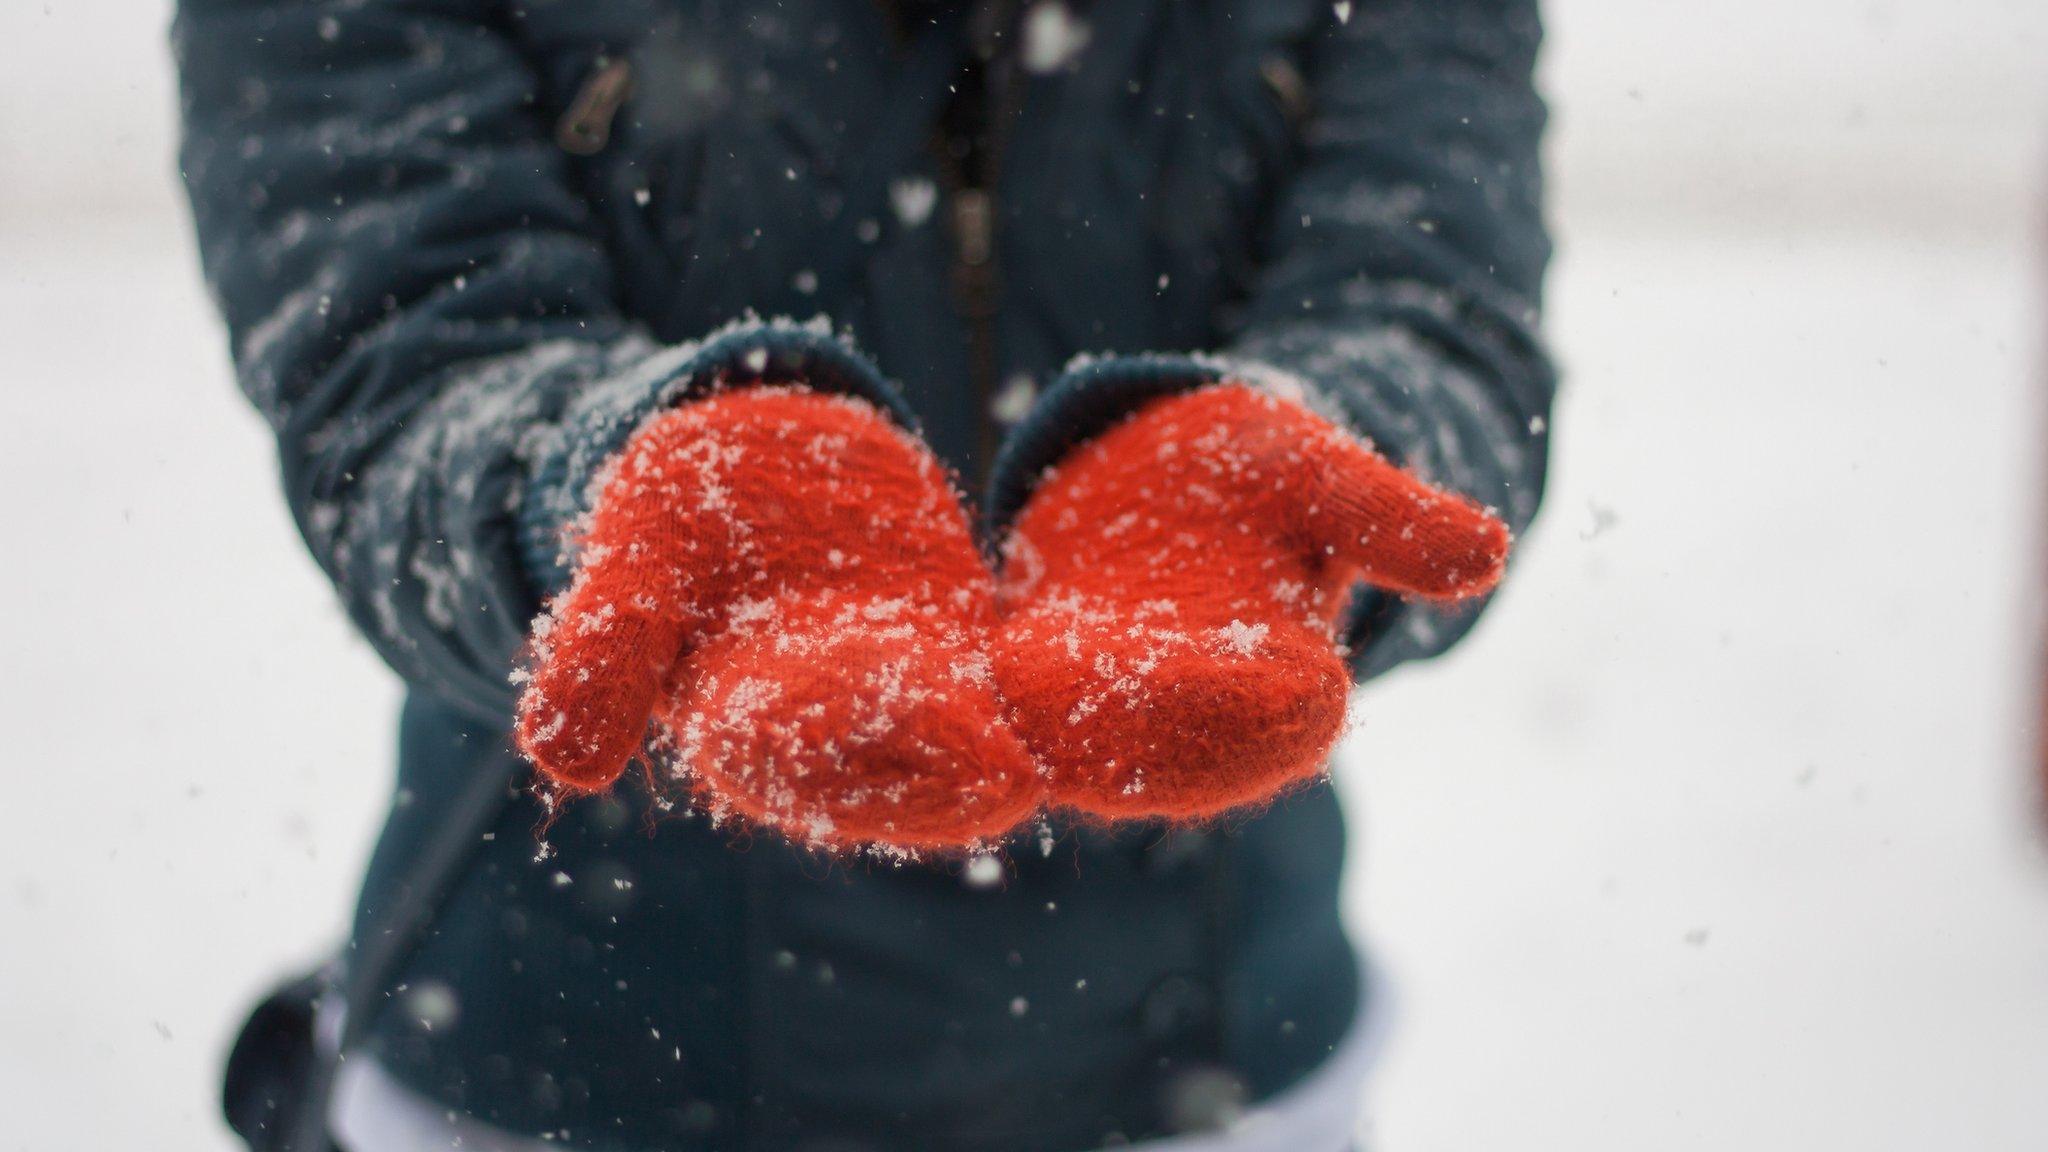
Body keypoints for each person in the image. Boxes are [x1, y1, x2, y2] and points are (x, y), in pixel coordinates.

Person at [176, 1, 1555, 1149]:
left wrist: (1325, 460)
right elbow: (401, 359)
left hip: (1206, 1056)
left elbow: (1429, 302)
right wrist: (600, 492)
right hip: (574, 1051)